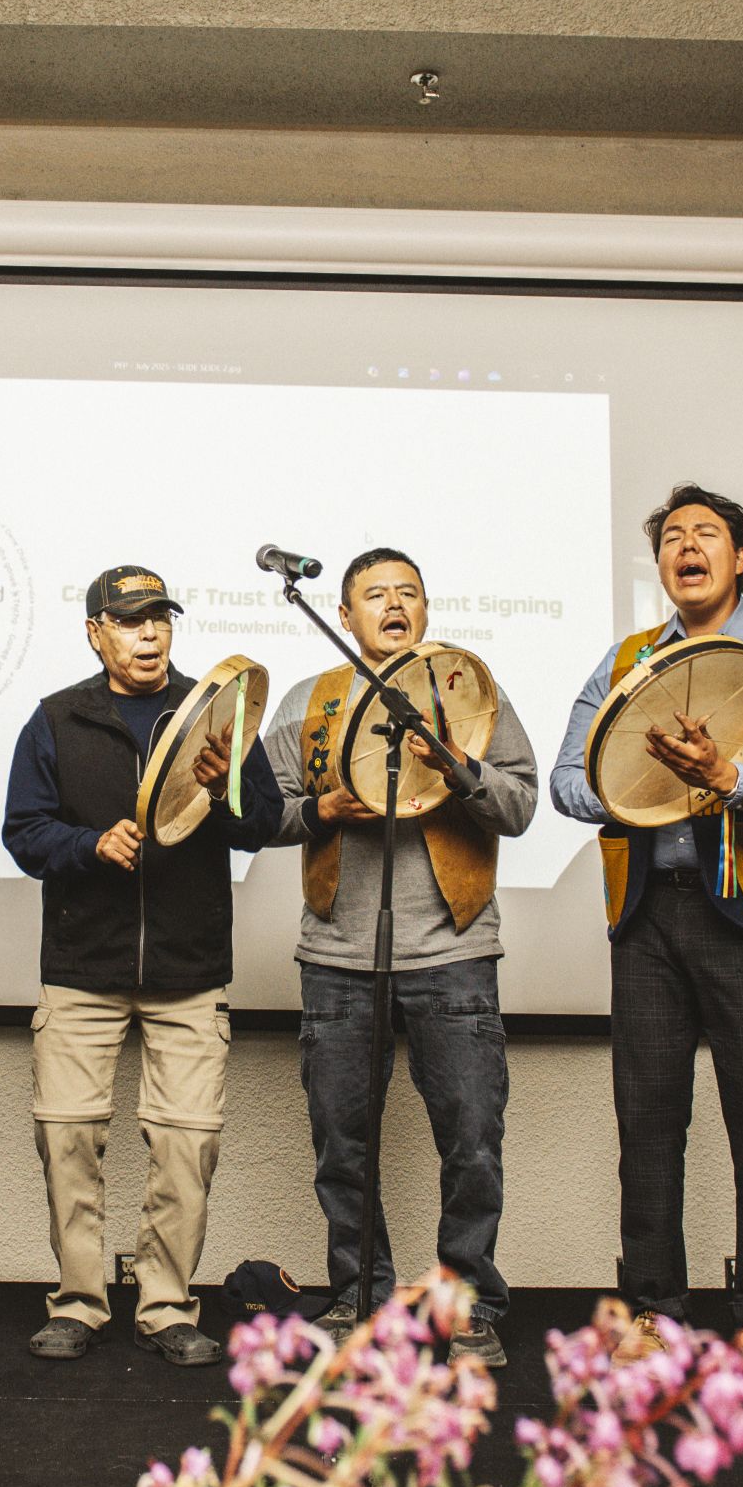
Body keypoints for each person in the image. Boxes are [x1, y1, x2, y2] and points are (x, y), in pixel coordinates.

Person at [550, 483, 743, 1391]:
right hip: (648, 919)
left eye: (706, 534)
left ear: (739, 557)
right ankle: (654, 1313)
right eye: (673, 536)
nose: (687, 547)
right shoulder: (627, 660)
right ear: (660, 564)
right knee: (647, 1126)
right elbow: (566, 781)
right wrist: (636, 787)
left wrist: (727, 776)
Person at [259, 549, 540, 1366]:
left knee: (472, 1139)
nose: (393, 605)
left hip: (454, 950)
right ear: (344, 617)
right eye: (375, 595)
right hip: (338, 956)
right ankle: (361, 1298)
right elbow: (262, 812)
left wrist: (461, 769)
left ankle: (468, 1304)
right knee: (342, 1143)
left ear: (425, 610)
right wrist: (323, 810)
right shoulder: (309, 702)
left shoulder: (470, 694)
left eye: (408, 593)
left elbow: (520, 803)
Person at [1, 565, 283, 1366]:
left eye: (160, 617)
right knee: (66, 1138)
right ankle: (79, 1303)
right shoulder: (56, 719)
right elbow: (23, 832)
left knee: (187, 1146)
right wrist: (88, 846)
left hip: (189, 971)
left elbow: (263, 822)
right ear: (97, 633)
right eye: (130, 620)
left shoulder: (214, 713)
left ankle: (165, 1306)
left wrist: (225, 786)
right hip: (81, 968)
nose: (150, 632)